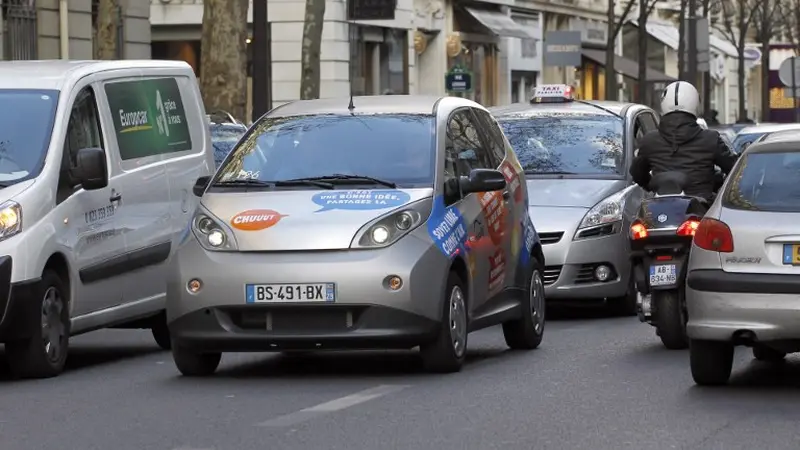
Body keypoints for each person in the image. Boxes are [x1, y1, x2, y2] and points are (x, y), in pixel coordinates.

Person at [630, 81, 738, 201]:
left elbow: (637, 173)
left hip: (660, 208)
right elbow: (734, 169)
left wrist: (651, 185)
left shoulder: (650, 140)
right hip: (701, 207)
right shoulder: (711, 139)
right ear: (696, 104)